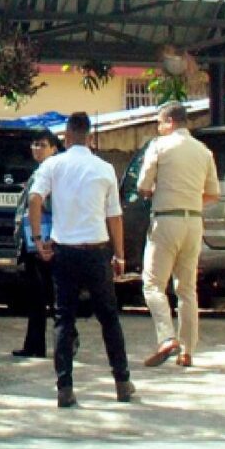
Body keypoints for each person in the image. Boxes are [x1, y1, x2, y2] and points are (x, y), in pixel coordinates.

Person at [28, 111, 134, 408]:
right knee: (109, 318)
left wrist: (38, 239)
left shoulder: (53, 164)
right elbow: (115, 215)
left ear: (66, 136)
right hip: (97, 249)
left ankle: (65, 387)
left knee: (64, 318)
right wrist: (120, 255)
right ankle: (122, 381)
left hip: (64, 250)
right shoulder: (104, 168)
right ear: (89, 136)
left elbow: (34, 200)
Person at [138, 101, 220, 368]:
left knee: (152, 284)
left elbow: (142, 185)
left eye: (160, 123)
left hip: (166, 219)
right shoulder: (204, 151)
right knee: (187, 289)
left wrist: (157, 191)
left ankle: (166, 337)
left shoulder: (159, 147)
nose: (158, 128)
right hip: (194, 221)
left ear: (169, 121)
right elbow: (212, 193)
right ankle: (187, 351)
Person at [11, 129, 61, 358]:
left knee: (46, 295)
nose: (36, 149)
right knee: (38, 296)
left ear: (54, 148)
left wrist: (40, 236)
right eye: (34, 144)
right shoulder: (40, 171)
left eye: (42, 145)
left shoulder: (52, 172)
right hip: (33, 240)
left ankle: (62, 338)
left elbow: (49, 205)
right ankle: (34, 344)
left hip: (43, 240)